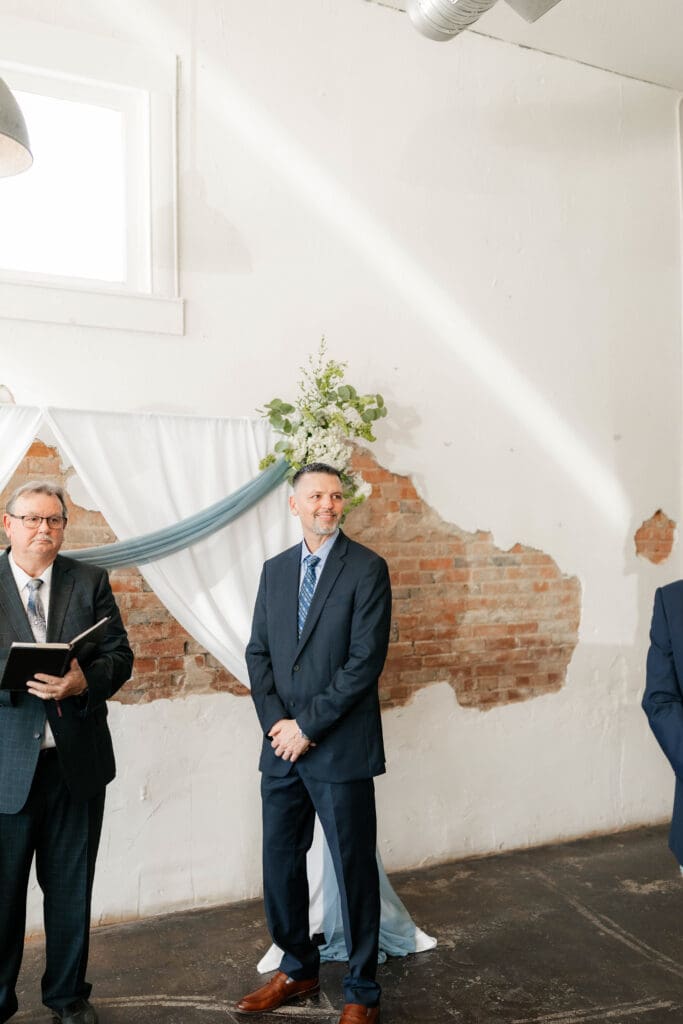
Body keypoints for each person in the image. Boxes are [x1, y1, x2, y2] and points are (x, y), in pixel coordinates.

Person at [237, 462, 392, 1024]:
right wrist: (279, 724)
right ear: (293, 505)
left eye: (335, 495)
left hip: (339, 747)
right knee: (280, 862)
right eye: (316, 496)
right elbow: (258, 654)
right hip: (281, 748)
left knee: (352, 868)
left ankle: (361, 990)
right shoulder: (275, 571)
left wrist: (308, 728)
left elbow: (362, 664)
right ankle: (297, 968)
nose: (327, 504)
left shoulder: (367, 569)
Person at [0, 481, 134, 1024]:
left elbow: (121, 656)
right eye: (31, 519)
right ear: (7, 524)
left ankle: (68, 997)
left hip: (74, 766)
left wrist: (83, 681)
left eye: (54, 521)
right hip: (5, 769)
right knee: (2, 898)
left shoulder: (89, 580)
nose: (43, 530)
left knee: (70, 891)